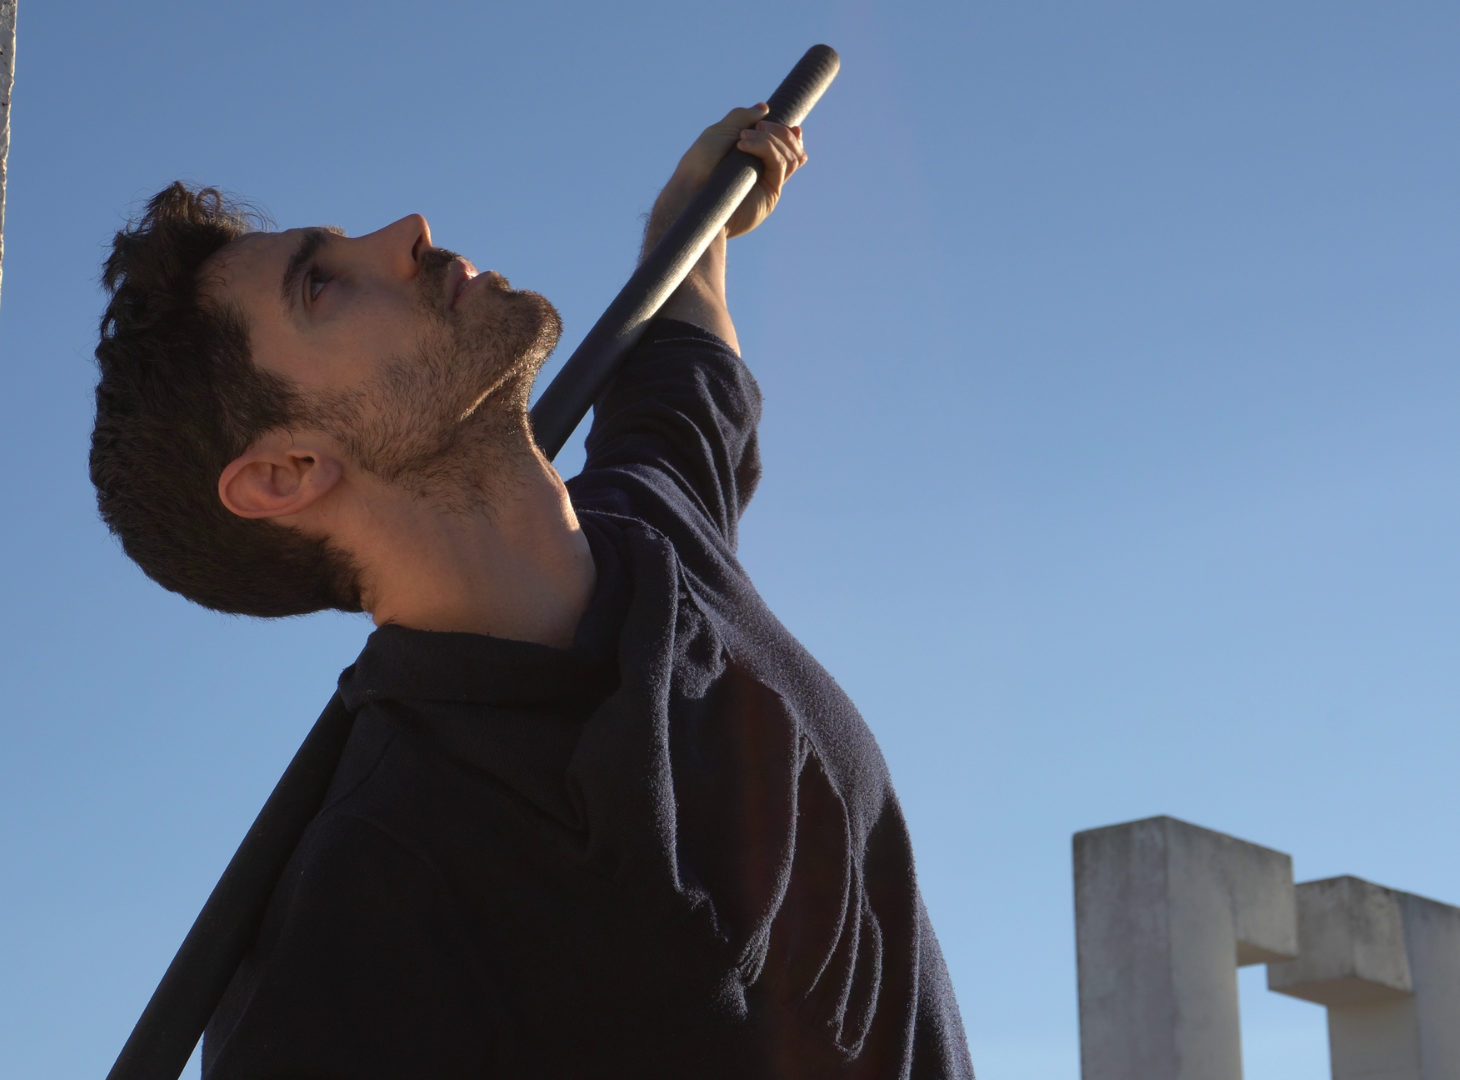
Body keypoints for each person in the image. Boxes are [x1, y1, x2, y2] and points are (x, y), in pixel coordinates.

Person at [91, 104, 972, 1079]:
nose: (409, 231)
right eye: (320, 284)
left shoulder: (655, 520)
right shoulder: (363, 913)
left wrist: (692, 215)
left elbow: (683, 341)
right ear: (285, 472)